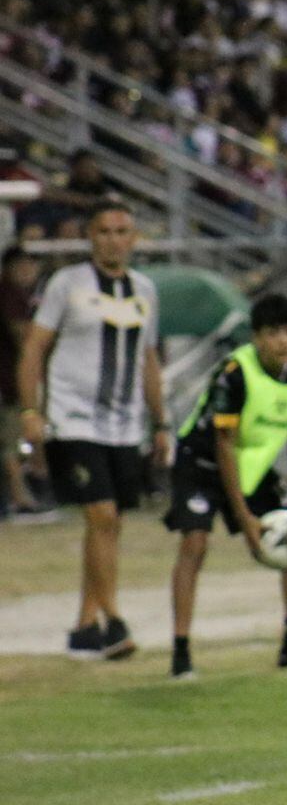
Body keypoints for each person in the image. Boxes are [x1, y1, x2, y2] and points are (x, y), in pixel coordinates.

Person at [17, 200, 170, 658]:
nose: (113, 240)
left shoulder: (145, 290)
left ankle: (85, 626)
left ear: (134, 239)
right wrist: (31, 410)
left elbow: (147, 359)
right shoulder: (67, 284)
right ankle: (114, 620)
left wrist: (161, 422)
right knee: (101, 514)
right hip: (73, 418)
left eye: (122, 231)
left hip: (124, 424)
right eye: (104, 231)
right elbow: (34, 349)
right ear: (90, 237)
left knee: (109, 523)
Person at [163, 294, 287, 678]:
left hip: (252, 466)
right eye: (273, 333)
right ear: (256, 337)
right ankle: (181, 652)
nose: (283, 341)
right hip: (202, 462)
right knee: (194, 543)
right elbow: (224, 444)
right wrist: (245, 518)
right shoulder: (235, 372)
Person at [1, 246, 47, 517]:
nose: (29, 271)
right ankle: (20, 498)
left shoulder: (21, 294)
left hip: (12, 379)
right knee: (11, 440)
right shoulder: (10, 294)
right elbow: (22, 336)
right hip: (8, 380)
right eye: (22, 265)